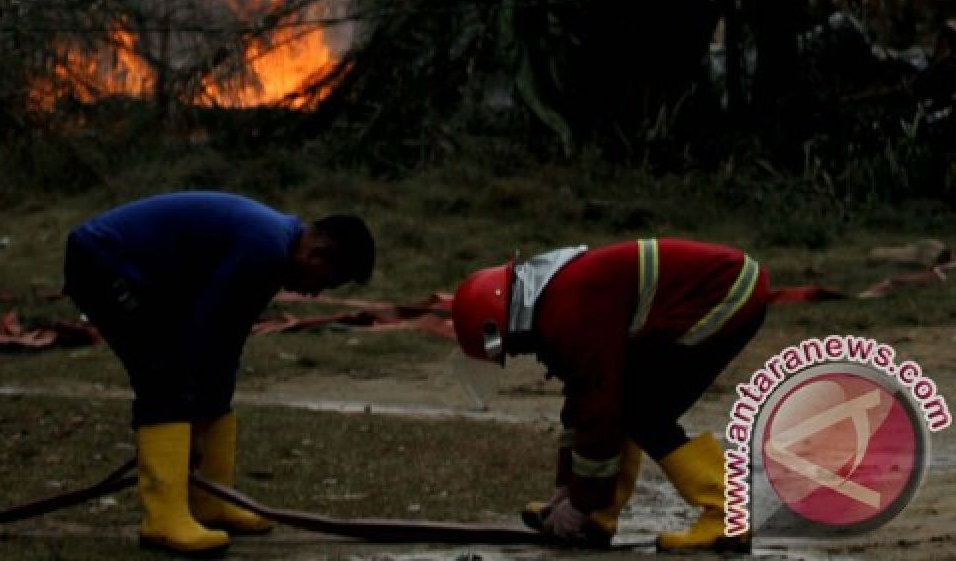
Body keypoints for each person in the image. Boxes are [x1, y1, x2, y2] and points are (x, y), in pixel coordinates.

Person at [63, 191, 375, 555]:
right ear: (318, 252)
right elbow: (204, 328)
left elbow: (227, 339)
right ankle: (163, 520)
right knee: (165, 373)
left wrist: (212, 391)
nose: (315, 293)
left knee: (212, 376)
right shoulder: (266, 247)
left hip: (147, 275)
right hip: (103, 262)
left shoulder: (274, 250)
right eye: (327, 281)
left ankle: (210, 501)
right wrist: (187, 407)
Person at [450, 238, 768, 552]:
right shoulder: (552, 306)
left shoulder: (568, 313)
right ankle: (598, 515)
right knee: (626, 402)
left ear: (497, 326)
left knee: (643, 411)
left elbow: (600, 407)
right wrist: (568, 490)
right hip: (714, 290)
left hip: (724, 294)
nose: (513, 355)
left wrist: (578, 504)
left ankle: (728, 515)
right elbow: (581, 400)